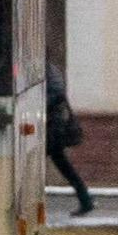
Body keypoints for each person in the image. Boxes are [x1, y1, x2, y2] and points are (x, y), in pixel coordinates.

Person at [45, 66, 92, 216]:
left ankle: (86, 200)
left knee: (62, 166)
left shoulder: (48, 70)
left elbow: (57, 94)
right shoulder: (49, 69)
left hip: (54, 126)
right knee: (64, 166)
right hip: (52, 124)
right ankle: (85, 200)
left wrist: (36, 104)